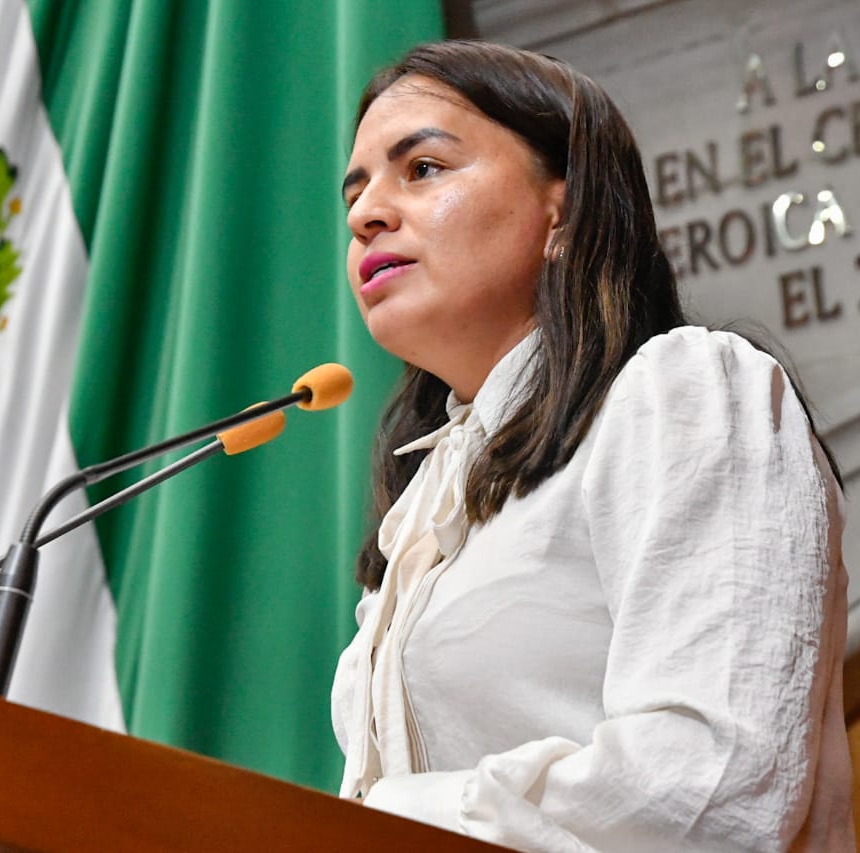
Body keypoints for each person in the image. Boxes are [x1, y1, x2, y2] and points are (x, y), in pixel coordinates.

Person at [331, 40, 852, 852]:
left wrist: (390, 817)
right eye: (356, 190)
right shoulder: (424, 501)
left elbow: (715, 785)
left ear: (564, 213)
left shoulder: (683, 390)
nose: (365, 213)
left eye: (423, 169)